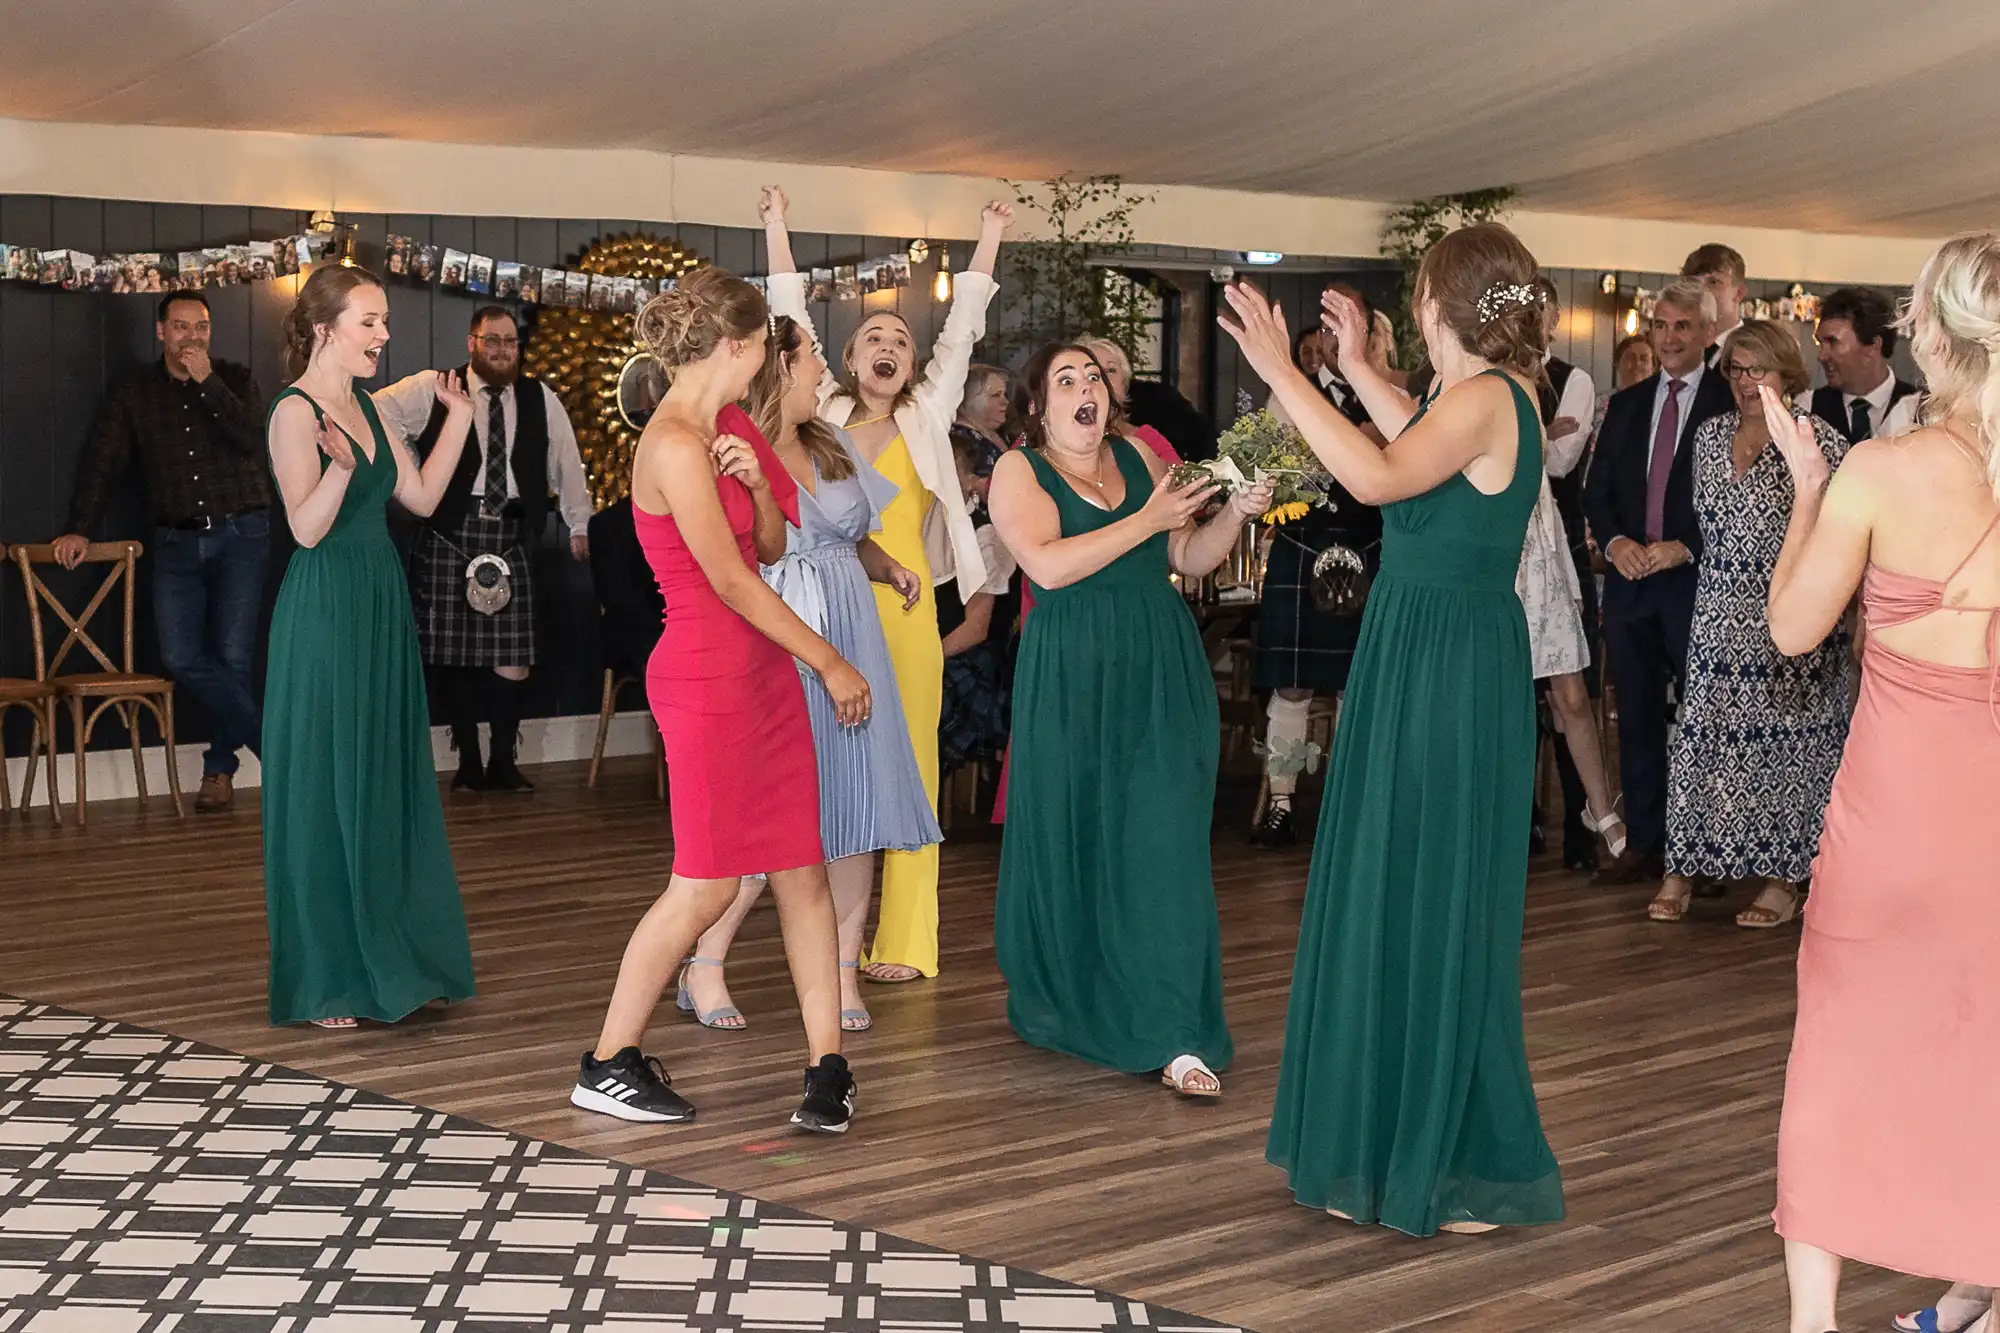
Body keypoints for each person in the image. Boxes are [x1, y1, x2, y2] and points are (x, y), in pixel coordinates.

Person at [1222, 223, 1563, 1236]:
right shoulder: (1479, 401)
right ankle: (1395, 1136)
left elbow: (1375, 480)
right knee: (1397, 883)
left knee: (1427, 892)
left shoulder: (1489, 400)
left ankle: (1444, 1153)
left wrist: (1282, 371)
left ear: (1433, 302)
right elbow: (1411, 437)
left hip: (1445, 665)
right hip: (1422, 650)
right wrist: (1360, 371)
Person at [1765, 230, 2000, 1333]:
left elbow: (1790, 627)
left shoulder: (1879, 469)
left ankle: (1813, 1323)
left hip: (1894, 814)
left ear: (1940, 341)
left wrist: (1806, 485)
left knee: (1839, 1052)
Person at [571, 267, 862, 1134]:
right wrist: (830, 661)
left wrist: (765, 488)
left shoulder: (732, 424)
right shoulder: (668, 443)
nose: (763, 377)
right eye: (760, 359)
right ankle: (608, 1060)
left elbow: (771, 544)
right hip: (706, 672)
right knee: (705, 884)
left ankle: (828, 1070)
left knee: (800, 871)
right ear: (733, 348)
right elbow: (730, 582)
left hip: (762, 669)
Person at [987, 341, 1272, 1099]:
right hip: (1074, 672)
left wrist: (1235, 513)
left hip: (1159, 663)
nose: (1088, 388)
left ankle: (1175, 1027)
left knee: (1164, 841)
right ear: (1038, 403)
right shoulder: (1020, 471)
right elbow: (1046, 565)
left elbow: (1188, 554)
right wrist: (1148, 518)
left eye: (1096, 378)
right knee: (1084, 835)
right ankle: (1079, 994)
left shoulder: (1141, 457)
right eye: (1067, 379)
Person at [764, 184, 1010, 984]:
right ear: (844, 358)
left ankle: (901, 939)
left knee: (908, 770)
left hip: (903, 614)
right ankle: (824, 939)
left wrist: (989, 238)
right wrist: (776, 227)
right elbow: (788, 324)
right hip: (824, 614)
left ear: (912, 364)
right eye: (873, 333)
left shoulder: (929, 414)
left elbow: (964, 327)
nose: (888, 344)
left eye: (901, 339)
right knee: (826, 771)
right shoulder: (821, 417)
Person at [675, 314, 937, 1036]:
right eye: (812, 358)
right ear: (777, 370)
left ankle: (843, 970)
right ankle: (706, 962)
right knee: (778, 814)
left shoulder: (834, 439)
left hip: (856, 630)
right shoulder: (736, 449)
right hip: (787, 631)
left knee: (857, 808)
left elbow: (855, 539)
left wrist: (893, 571)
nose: (824, 369)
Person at [261, 265, 476, 1031]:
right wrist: (341, 470)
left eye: (383, 322)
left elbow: (417, 497)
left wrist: (457, 416)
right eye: (371, 322)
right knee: (327, 783)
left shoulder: (366, 407)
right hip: (324, 609)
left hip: (380, 600)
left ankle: (394, 956)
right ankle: (327, 977)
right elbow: (306, 528)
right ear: (325, 327)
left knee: (382, 776)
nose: (385, 335)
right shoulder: (295, 412)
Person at [1649, 321, 1852, 926]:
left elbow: (1840, 540)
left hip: (1788, 618)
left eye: (1757, 368)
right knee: (1699, 743)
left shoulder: (1819, 442)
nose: (1744, 381)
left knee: (1788, 752)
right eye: (1735, 369)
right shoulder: (1709, 438)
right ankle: (1681, 868)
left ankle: (1785, 880)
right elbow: (1710, 531)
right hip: (1715, 617)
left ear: (1787, 374)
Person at [53, 292, 269, 813]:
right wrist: (79, 528)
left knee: (234, 657)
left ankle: (219, 770)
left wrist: (206, 383)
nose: (191, 337)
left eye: (201, 327)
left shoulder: (234, 379)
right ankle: (278, 748)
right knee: (179, 655)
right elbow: (102, 461)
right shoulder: (134, 391)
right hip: (174, 541)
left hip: (242, 533)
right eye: (180, 327)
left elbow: (252, 440)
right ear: (160, 332)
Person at [374, 306, 595, 793]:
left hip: (511, 535)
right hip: (450, 533)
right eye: (491, 339)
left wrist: (580, 523)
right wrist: (412, 466)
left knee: (511, 655)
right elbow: (375, 411)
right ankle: (468, 765)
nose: (502, 349)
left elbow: (567, 460)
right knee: (453, 655)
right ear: (472, 342)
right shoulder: (437, 386)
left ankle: (503, 762)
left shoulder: (539, 397)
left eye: (510, 342)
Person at [1584, 279, 1735, 885]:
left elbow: (1736, 498)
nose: (1669, 338)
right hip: (1629, 582)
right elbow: (1597, 492)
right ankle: (1646, 843)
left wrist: (1686, 547)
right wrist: (1618, 543)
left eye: (1682, 327)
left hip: (1696, 582)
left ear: (1706, 333)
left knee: (1705, 721)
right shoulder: (1626, 402)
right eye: (1661, 326)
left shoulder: (1730, 401)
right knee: (1638, 716)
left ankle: (1710, 850)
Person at [1248, 286, 1386, 849]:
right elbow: (1263, 466)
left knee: (1362, 686)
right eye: (1327, 328)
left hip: (1373, 552)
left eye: (1347, 326)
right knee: (1293, 686)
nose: (1333, 338)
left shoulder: (1388, 395)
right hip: (1303, 550)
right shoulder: (1291, 391)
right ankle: (1281, 803)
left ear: (1369, 335)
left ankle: (1350, 805)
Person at [1515, 277, 1624, 869]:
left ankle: (1584, 820)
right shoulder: (1490, 375)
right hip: (1509, 537)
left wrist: (1532, 437)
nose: (1537, 319)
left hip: (1553, 537)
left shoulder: (1572, 378)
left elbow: (1562, 458)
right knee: (1518, 694)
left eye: (1543, 310)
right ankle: (1523, 815)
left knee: (1568, 690)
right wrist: (1538, 432)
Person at [1803, 286, 1922, 443]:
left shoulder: (1919, 409)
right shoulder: (1807, 408)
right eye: (1820, 343)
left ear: (1873, 345)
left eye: (1833, 342)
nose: (1822, 356)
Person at [1682, 242, 1748, 355]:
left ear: (1738, 293)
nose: (1700, 291)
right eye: (1692, 283)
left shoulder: (1759, 352)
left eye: (1714, 282)